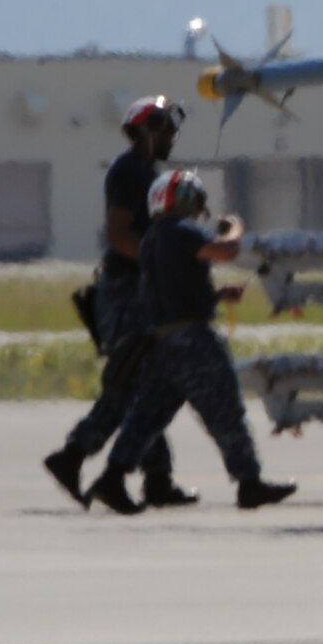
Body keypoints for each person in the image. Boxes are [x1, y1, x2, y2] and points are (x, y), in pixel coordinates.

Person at [85, 170, 296, 514]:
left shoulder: (151, 238)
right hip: (194, 343)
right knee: (226, 410)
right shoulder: (182, 232)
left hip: (162, 344)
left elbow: (173, 291)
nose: (198, 210)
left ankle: (112, 478)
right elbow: (226, 251)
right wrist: (234, 227)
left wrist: (215, 296)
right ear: (181, 200)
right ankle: (249, 482)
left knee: (145, 418)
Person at [43, 96, 197, 510]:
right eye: (166, 130)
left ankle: (153, 479)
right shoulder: (131, 172)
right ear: (147, 131)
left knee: (147, 386)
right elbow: (118, 234)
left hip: (137, 289)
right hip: (128, 292)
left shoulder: (143, 171)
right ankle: (76, 457)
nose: (172, 137)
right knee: (138, 386)